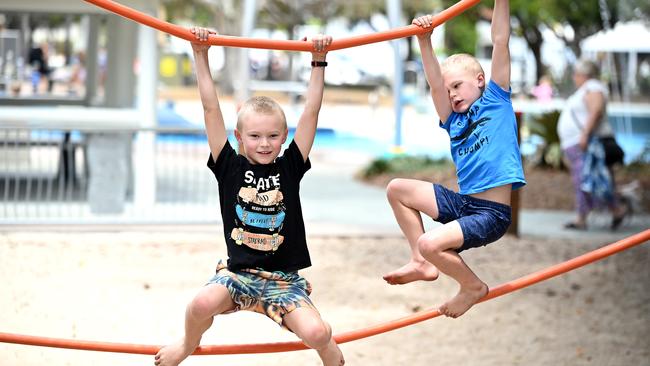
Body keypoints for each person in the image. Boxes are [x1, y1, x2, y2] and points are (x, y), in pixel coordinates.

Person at [154, 27, 344, 366]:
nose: (265, 143)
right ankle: (187, 344)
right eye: (255, 135)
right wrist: (201, 54)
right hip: (238, 275)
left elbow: (311, 113)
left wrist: (318, 62)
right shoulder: (229, 165)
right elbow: (210, 109)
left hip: (283, 282)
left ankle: (327, 347)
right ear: (240, 137)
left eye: (273, 135)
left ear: (284, 136)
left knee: (317, 333)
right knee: (199, 305)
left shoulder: (289, 166)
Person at [382, 0, 526, 319]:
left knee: (431, 244)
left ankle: (472, 286)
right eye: (449, 92)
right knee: (396, 189)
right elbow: (435, 83)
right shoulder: (452, 119)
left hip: (492, 213)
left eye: (458, 86)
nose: (453, 95)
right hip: (464, 205)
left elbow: (501, 40)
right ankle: (420, 263)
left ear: (479, 79)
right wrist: (424, 39)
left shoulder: (496, 99)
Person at [556, 59, 628, 231]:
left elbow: (596, 111)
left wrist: (585, 134)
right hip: (577, 142)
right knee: (588, 180)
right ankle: (589, 215)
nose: (574, 78)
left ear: (583, 75)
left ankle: (612, 210)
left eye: (576, 74)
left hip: (584, 143)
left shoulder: (593, 87)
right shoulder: (587, 88)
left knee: (588, 179)